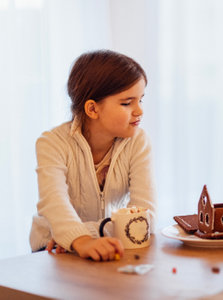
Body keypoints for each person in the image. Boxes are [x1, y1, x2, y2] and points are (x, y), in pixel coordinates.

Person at [29, 50, 156, 261]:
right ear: (92, 109)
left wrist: (79, 236)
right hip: (52, 250)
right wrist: (77, 241)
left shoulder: (139, 142)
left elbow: (144, 217)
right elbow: (53, 203)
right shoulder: (52, 143)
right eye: (127, 103)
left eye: (140, 100)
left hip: (99, 244)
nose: (139, 111)